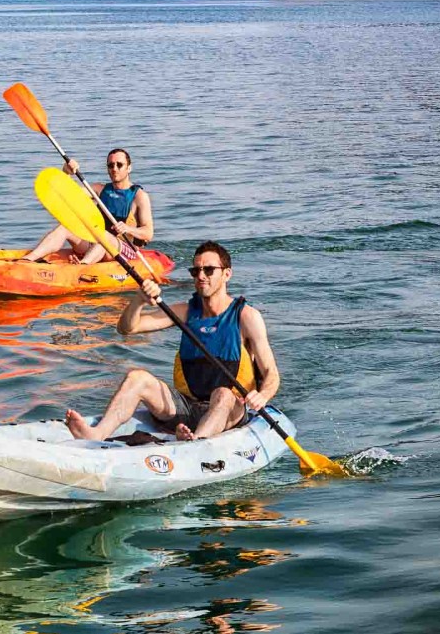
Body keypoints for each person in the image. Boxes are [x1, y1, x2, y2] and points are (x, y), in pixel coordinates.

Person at [65, 241, 281, 442]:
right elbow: (127, 329)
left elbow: (271, 373)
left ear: (227, 274)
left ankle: (195, 443)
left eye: (209, 270)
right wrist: (139, 300)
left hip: (231, 409)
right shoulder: (185, 312)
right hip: (188, 407)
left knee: (222, 393)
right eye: (196, 271)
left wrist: (262, 396)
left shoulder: (246, 317)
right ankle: (96, 434)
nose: (201, 276)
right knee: (137, 378)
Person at [22, 148, 154, 265]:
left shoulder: (139, 196)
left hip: (124, 250)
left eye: (119, 165)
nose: (114, 169)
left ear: (129, 168)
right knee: (66, 227)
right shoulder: (99, 190)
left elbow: (148, 233)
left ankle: (82, 266)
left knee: (105, 236)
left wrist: (128, 229)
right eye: (110, 165)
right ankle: (28, 259)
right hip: (96, 245)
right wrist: (66, 173)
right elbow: (67, 195)